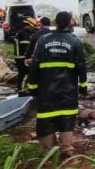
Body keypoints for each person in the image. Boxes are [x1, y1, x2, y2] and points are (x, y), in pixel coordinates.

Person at [27, 11, 87, 155]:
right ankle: (66, 149)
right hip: (68, 89)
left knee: (46, 117)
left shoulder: (43, 40)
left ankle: (49, 151)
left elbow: (34, 65)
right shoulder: (74, 41)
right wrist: (83, 86)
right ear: (69, 22)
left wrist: (32, 87)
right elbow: (81, 65)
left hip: (45, 88)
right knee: (67, 117)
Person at [13, 17, 37, 92]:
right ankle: (21, 89)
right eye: (32, 27)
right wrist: (29, 57)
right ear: (29, 25)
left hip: (19, 57)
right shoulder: (24, 34)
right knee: (26, 73)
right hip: (22, 57)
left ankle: (19, 87)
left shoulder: (20, 32)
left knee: (21, 73)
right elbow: (26, 46)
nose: (32, 29)